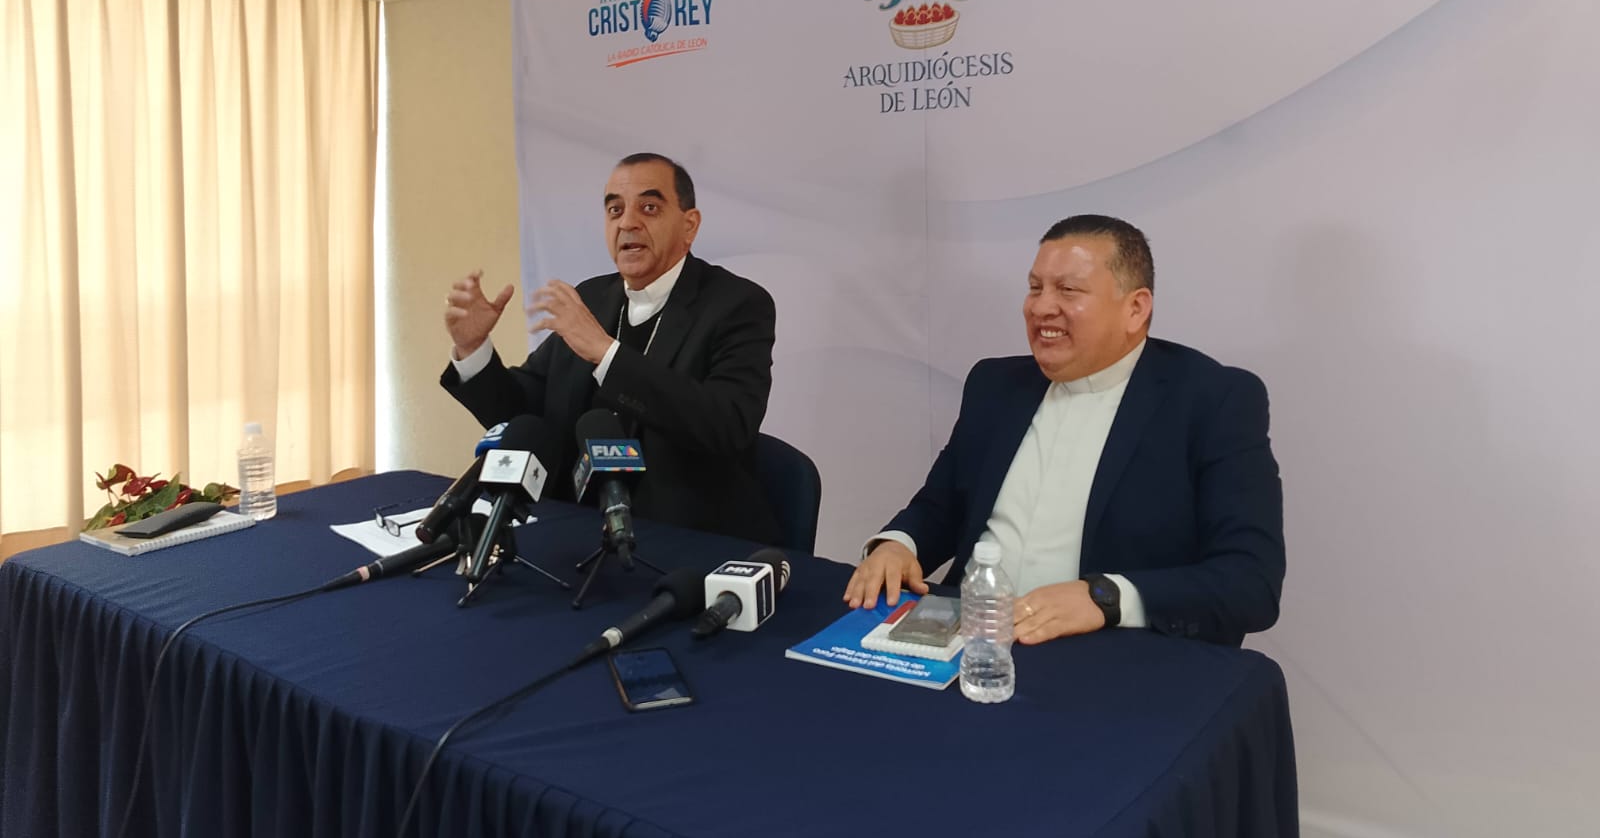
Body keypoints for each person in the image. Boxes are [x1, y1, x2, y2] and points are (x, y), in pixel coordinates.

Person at [843, 215, 1284, 647]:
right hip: (974, 640)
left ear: (1135, 308)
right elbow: (940, 509)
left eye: (1067, 290)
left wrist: (1104, 597)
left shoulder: (1213, 400)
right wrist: (899, 545)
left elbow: (1250, 582)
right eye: (1035, 287)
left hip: (1109, 655)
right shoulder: (995, 385)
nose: (1040, 307)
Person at [440, 153, 781, 544]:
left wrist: (607, 355)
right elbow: (526, 415)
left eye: (649, 208)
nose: (627, 223)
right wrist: (474, 349)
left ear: (689, 225)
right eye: (615, 210)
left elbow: (728, 425)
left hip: (689, 537)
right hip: (575, 530)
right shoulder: (591, 298)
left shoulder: (738, 304)